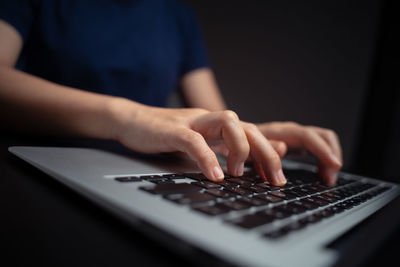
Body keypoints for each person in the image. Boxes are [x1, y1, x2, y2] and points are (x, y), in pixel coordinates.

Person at [0, 0, 342, 186]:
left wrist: (256, 136)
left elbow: (213, 117)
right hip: (37, 174)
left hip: (144, 175)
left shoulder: (177, 15)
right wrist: (130, 117)